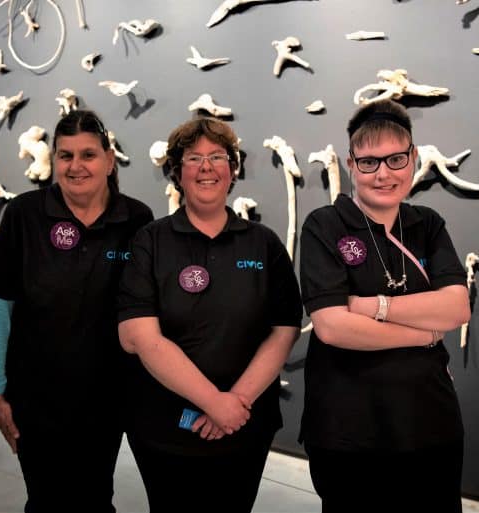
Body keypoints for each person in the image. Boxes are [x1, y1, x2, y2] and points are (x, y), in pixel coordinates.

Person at [116, 117, 302, 513]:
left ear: (232, 170)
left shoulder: (263, 243)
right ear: (176, 172)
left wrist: (235, 402)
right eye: (193, 158)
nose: (206, 166)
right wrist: (214, 403)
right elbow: (137, 336)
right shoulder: (150, 240)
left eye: (218, 156)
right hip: (166, 430)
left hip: (245, 424)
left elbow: (284, 330)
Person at [0, 109, 153, 513]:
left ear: (110, 160)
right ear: (54, 160)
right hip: (35, 397)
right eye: (65, 155)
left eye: (88, 155)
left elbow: (145, 313)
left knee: (94, 496)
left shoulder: (137, 219)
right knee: (46, 499)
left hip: (107, 397)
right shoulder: (23, 215)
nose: (76, 166)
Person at [299, 99, 471, 513]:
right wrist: (425, 332)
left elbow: (457, 308)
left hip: (429, 421)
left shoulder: (427, 223)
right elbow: (332, 328)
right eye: (370, 162)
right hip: (350, 428)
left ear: (413, 158)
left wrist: (371, 307)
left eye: (396, 159)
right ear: (351, 164)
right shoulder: (325, 225)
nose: (384, 174)